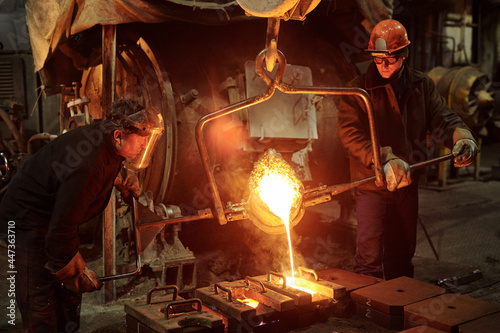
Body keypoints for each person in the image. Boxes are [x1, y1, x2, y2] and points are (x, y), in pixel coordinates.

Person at [0, 99, 163, 332]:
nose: (146, 143)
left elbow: (102, 164)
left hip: (47, 221)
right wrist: (73, 272)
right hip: (24, 223)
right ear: (118, 135)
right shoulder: (89, 165)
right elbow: (62, 228)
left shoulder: (105, 138)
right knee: (40, 301)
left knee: (66, 300)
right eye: (143, 137)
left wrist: (119, 178)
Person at [337, 19, 478, 280]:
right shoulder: (356, 90)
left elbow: (442, 119)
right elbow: (350, 135)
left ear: (403, 54)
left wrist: (462, 138)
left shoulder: (421, 85)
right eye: (378, 59)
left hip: (407, 183)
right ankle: (368, 313)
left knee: (402, 255)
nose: (384, 65)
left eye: (390, 58)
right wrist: (384, 159)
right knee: (369, 257)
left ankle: (399, 309)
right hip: (371, 185)